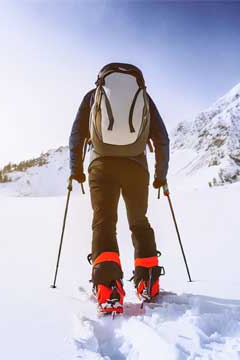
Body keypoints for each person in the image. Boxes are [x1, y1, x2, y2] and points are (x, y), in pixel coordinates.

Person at [68, 63, 169, 314]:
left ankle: (108, 287)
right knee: (138, 221)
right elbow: (162, 137)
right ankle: (148, 282)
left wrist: (76, 170)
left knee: (104, 221)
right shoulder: (144, 97)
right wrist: (160, 175)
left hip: (101, 165)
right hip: (136, 167)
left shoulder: (93, 96)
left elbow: (77, 134)